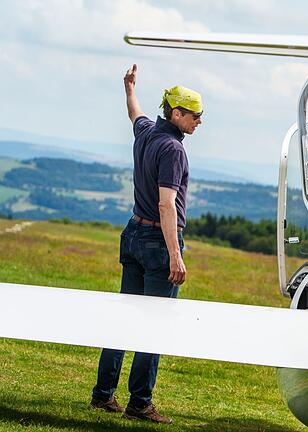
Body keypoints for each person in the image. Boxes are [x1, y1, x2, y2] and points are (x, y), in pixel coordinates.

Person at [89, 64, 203, 424]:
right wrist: (175, 255)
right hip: (157, 240)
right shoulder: (172, 149)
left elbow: (134, 114)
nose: (199, 122)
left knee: (125, 317)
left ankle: (103, 395)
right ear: (177, 113)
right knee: (153, 324)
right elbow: (166, 204)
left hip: (133, 235)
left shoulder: (147, 133)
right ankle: (140, 403)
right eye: (195, 116)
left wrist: (129, 89)